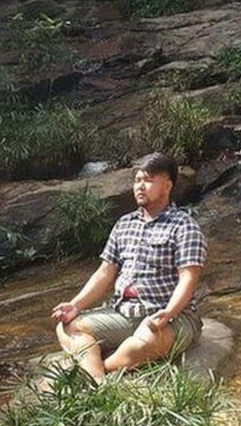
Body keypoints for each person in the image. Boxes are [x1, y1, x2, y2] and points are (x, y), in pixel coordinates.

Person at [51, 153, 207, 381]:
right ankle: (98, 381)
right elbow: (105, 272)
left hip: (172, 317)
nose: (140, 186)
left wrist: (169, 312)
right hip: (123, 312)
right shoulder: (124, 224)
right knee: (67, 327)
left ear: (167, 185)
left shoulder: (184, 226)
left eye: (148, 180)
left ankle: (97, 368)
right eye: (137, 180)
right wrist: (75, 305)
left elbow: (188, 279)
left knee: (141, 343)